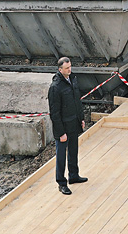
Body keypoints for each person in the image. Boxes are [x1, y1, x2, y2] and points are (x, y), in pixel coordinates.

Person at [47, 56, 87, 195]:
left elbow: (77, 101)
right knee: (61, 157)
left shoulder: (73, 80)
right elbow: (54, 112)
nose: (69, 70)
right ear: (60, 69)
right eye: (67, 68)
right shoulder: (55, 87)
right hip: (63, 127)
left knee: (73, 151)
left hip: (73, 123)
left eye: (70, 67)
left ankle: (74, 175)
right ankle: (61, 183)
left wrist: (81, 118)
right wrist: (60, 132)